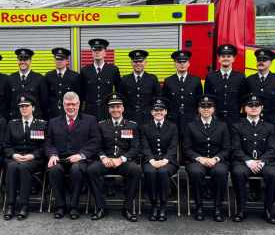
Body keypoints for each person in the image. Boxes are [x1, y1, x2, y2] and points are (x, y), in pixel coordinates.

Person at [46, 91, 100, 220]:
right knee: (54, 170)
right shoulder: (53, 122)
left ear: (79, 104)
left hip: (79, 159)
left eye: (74, 104)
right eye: (68, 104)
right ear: (63, 105)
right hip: (60, 158)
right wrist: (52, 154)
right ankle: (60, 206)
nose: (71, 107)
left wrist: (81, 155)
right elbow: (48, 142)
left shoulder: (90, 120)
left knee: (76, 170)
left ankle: (74, 206)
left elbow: (96, 141)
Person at [87, 93, 142, 222]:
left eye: (118, 106)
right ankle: (101, 207)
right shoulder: (101, 125)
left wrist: (121, 159)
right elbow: (97, 145)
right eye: (112, 107)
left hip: (123, 161)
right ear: (108, 109)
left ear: (123, 108)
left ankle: (127, 208)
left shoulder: (132, 125)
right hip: (106, 160)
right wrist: (103, 157)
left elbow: (135, 148)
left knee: (135, 170)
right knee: (91, 170)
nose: (115, 110)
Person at [230, 94, 275, 222]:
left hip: (265, 162)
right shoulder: (237, 126)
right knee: (238, 172)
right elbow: (235, 148)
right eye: (250, 105)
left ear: (262, 108)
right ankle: (241, 210)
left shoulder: (269, 127)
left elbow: (272, 149)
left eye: (256, 105)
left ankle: (268, 210)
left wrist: (262, 162)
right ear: (244, 108)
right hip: (243, 161)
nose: (253, 108)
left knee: (273, 174)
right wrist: (249, 161)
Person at [182, 94, 231, 221]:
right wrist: (201, 159)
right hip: (197, 160)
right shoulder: (191, 125)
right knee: (196, 172)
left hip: (216, 160)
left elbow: (226, 148)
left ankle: (217, 207)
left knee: (221, 172)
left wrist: (215, 159)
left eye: (209, 106)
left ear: (213, 109)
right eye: (203, 106)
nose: (206, 109)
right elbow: (187, 148)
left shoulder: (222, 125)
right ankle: (199, 207)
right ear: (198, 109)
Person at [3, 93, 47, 220]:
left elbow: (44, 146)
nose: (23, 108)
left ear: (33, 108)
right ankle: (10, 205)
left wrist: (32, 155)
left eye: (26, 106)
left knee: (24, 168)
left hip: (33, 159)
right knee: (11, 167)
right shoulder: (12, 124)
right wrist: (13, 154)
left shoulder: (41, 124)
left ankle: (24, 205)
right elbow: (6, 145)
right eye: (21, 106)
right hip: (15, 157)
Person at [140, 97, 178, 221]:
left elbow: (173, 147)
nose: (158, 112)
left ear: (166, 112)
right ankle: (154, 205)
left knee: (163, 172)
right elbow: (145, 147)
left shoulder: (172, 127)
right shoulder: (145, 127)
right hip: (150, 160)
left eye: (161, 110)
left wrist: (165, 160)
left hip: (168, 161)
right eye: (156, 110)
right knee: (150, 172)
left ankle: (163, 206)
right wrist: (152, 160)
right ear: (152, 112)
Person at [162, 50, 203, 134]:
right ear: (175, 64)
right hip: (172, 120)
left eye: (184, 62)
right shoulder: (168, 81)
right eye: (179, 62)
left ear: (189, 64)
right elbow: (164, 101)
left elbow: (200, 101)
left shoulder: (196, 80)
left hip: (191, 120)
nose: (182, 64)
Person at [244, 49, 275, 125]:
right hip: (253, 122)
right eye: (259, 60)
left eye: (264, 60)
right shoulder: (249, 80)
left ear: (270, 62)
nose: (261, 62)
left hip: (272, 121)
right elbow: (244, 100)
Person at [79, 38, 120, 120]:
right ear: (91, 52)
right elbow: (81, 94)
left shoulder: (113, 70)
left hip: (107, 112)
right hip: (89, 112)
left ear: (105, 52)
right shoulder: (85, 70)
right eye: (94, 50)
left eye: (100, 50)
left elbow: (119, 92)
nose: (97, 52)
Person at [204, 44, 246, 124]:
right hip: (216, 119)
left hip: (234, 119)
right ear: (219, 59)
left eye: (229, 56)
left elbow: (243, 99)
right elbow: (208, 98)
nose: (226, 58)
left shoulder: (241, 77)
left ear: (233, 59)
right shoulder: (210, 77)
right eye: (223, 56)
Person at [118, 49, 160, 125]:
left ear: (145, 63)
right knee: (128, 137)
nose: (138, 64)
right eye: (135, 61)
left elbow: (158, 98)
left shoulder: (152, 79)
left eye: (140, 61)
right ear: (131, 63)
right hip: (129, 119)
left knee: (147, 137)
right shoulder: (124, 79)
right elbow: (121, 99)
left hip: (148, 119)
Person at [7, 48, 48, 119]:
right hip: (15, 120)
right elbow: (7, 101)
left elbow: (44, 102)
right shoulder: (10, 78)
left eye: (25, 59)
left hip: (35, 120)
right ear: (17, 61)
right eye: (20, 59)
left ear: (30, 61)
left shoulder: (39, 78)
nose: (23, 62)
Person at [44, 47, 82, 120]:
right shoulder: (48, 76)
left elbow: (79, 96)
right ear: (54, 60)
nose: (59, 61)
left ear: (67, 61)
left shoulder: (75, 76)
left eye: (62, 59)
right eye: (57, 59)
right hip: (52, 114)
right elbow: (45, 97)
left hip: (70, 114)